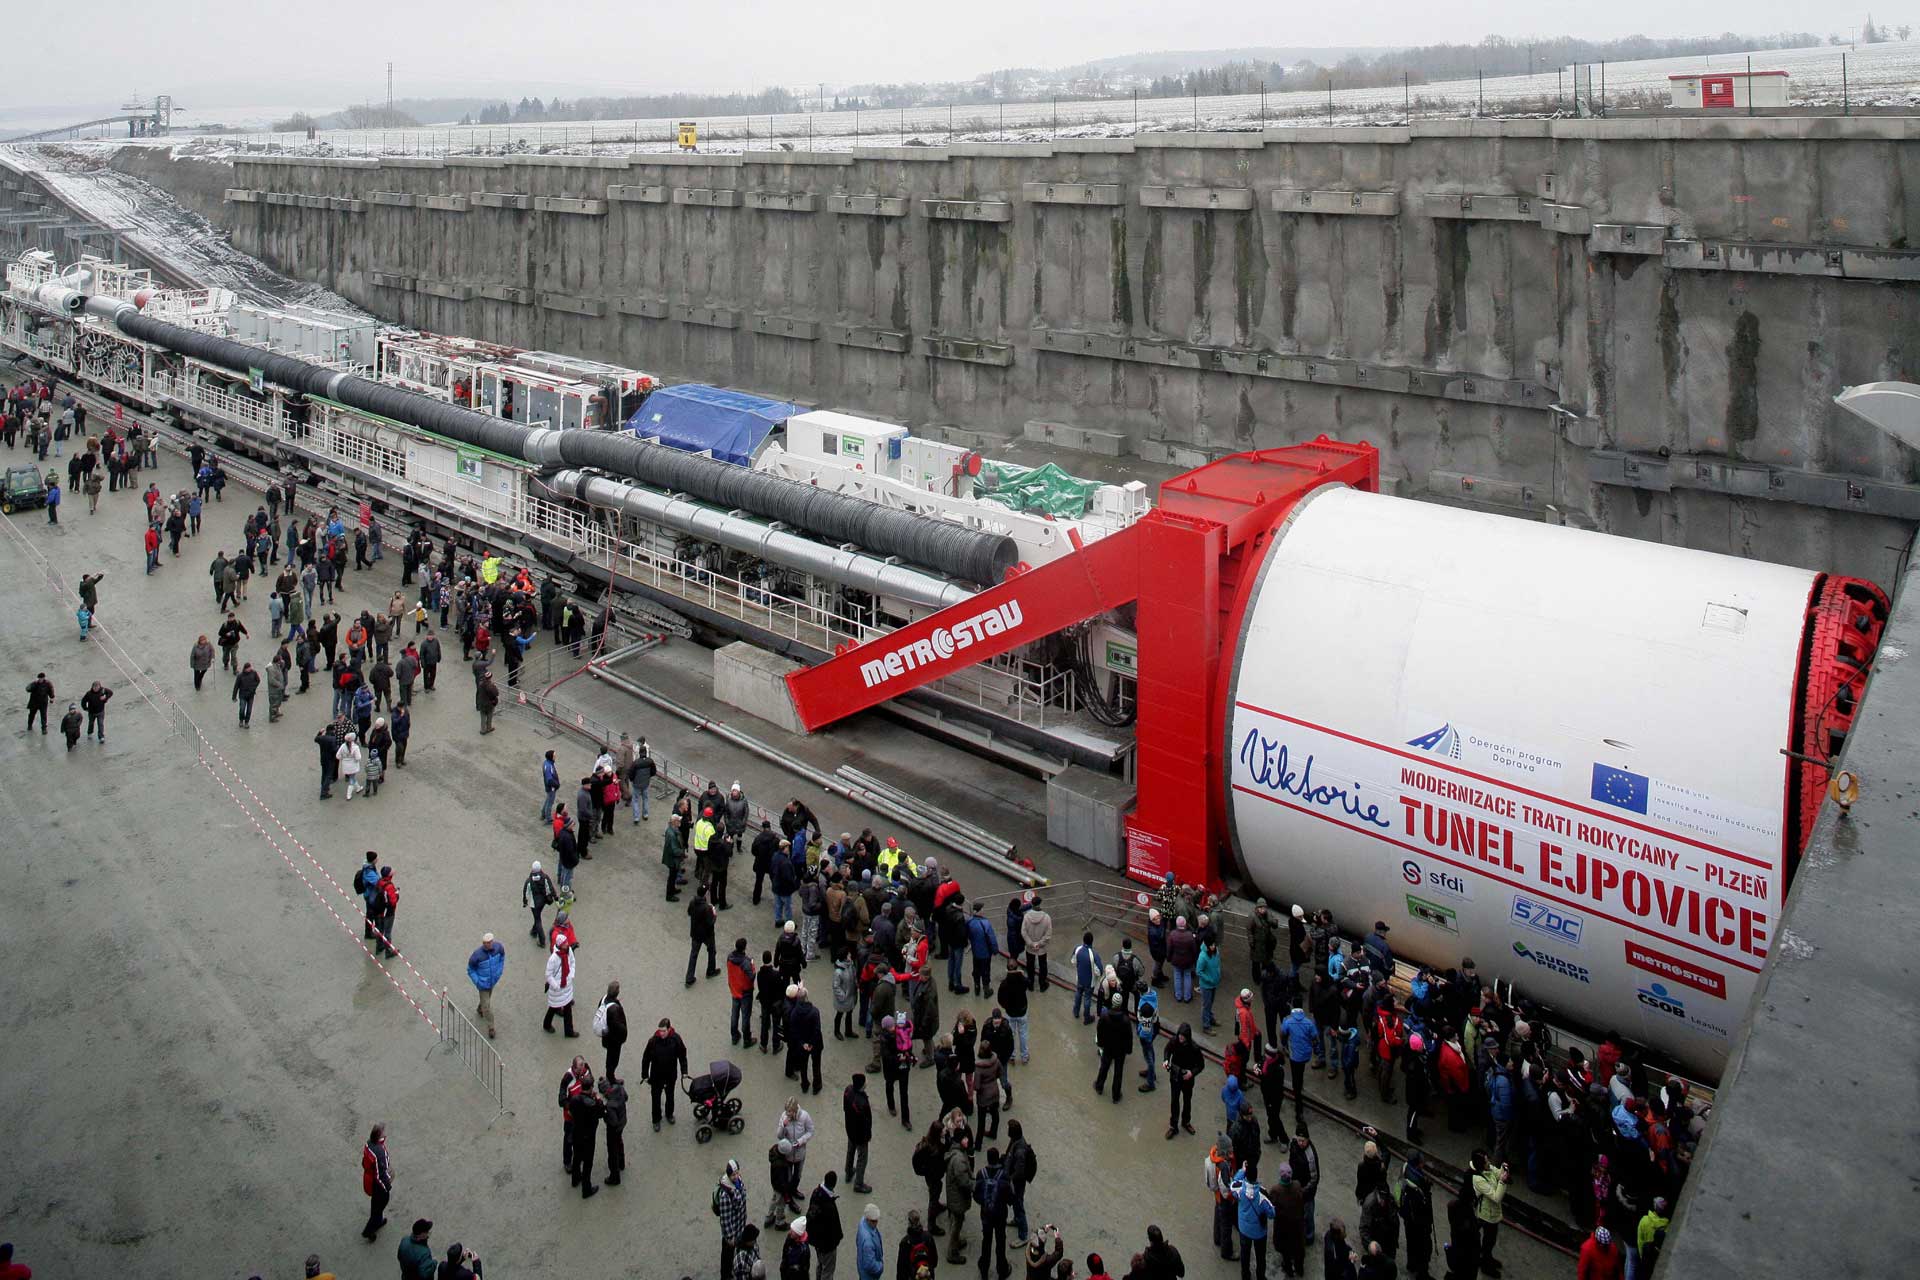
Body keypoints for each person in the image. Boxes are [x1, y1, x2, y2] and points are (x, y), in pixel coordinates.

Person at [640, 1015, 688, 1130]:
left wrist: (684, 1071)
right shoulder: (653, 1041)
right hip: (656, 1077)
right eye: (660, 1030)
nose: (661, 1033)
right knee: (655, 1099)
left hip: (671, 1075)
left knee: (670, 1096)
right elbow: (646, 1059)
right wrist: (645, 1075)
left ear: (669, 1029)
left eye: (664, 1031)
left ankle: (669, 1114)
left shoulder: (676, 1039)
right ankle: (656, 1119)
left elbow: (682, 1055)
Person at [1232, 1164, 1276, 1280]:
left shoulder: (1239, 1189)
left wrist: (1242, 1170)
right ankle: (1260, 1276)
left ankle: (1245, 1275)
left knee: (1245, 1254)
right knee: (1260, 1256)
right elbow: (1272, 1214)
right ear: (1256, 1176)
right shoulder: (1262, 1194)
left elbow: (1233, 1183)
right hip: (1259, 1232)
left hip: (1244, 1229)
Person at [1468, 1152, 1508, 1276]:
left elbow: (1496, 1172)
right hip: (1487, 1215)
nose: (1489, 1163)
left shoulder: (1486, 1168)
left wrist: (1502, 1169)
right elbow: (1496, 1197)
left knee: (1490, 1239)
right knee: (1488, 1240)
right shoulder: (1478, 1179)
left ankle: (1487, 1258)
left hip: (1492, 1213)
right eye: (1486, 1161)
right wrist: (1502, 1182)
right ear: (1481, 1164)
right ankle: (1485, 1264)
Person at [1164, 1023, 1205, 1139]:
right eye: (1180, 1035)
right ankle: (1173, 1126)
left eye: (1183, 1036)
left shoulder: (1194, 1048)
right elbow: (1167, 1050)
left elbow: (1201, 1065)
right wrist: (1166, 1060)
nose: (1180, 1038)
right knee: (1174, 1101)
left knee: (1187, 1101)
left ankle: (1186, 1122)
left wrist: (1191, 1073)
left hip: (1187, 1078)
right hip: (1175, 1076)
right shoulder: (1174, 1041)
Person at [1093, 994, 1133, 1103]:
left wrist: (1100, 1043)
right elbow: (1129, 1037)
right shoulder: (1125, 1020)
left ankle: (1099, 1086)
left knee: (1104, 1067)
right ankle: (1116, 1095)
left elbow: (1099, 1030)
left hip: (1108, 1047)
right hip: (1120, 1050)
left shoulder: (1105, 1016)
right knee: (1118, 1072)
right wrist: (1128, 1049)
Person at [568, 1079, 604, 1198]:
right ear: (591, 1088)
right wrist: (598, 1099)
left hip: (576, 1133)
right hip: (588, 1136)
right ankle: (586, 1189)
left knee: (577, 1157)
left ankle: (575, 1179)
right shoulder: (591, 1104)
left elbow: (571, 1111)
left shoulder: (574, 1099)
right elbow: (601, 1113)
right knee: (588, 1163)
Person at [716, 1161, 751, 1280]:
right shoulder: (725, 1195)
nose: (736, 1176)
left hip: (739, 1225)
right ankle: (725, 1276)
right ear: (728, 1175)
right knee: (727, 1256)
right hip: (732, 1232)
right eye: (733, 1175)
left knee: (734, 1254)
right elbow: (725, 1219)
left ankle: (731, 1271)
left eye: (737, 1173)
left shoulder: (738, 1181)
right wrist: (730, 1237)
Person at [466, 932, 505, 1039]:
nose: (490, 944)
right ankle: (491, 1027)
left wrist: (499, 972)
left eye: (491, 941)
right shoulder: (477, 955)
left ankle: (480, 1008)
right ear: (484, 943)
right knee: (487, 1006)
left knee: (485, 1001)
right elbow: (470, 970)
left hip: (492, 981)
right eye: (487, 943)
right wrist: (478, 982)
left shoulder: (499, 948)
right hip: (483, 984)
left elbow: (502, 958)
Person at [810, 1171, 846, 1279]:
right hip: (827, 1245)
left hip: (817, 1241)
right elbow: (833, 1228)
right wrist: (836, 1240)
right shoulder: (828, 1206)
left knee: (820, 1264)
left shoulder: (816, 1193)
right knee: (828, 1270)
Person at [843, 1072, 875, 1194]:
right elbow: (866, 1122)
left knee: (850, 1150)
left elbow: (845, 1108)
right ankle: (859, 1183)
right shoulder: (862, 1103)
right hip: (861, 1135)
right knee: (862, 1157)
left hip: (850, 1128)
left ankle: (848, 1171)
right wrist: (868, 1136)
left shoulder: (848, 1091)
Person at [361, 1124, 393, 1239]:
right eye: (383, 1132)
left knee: (376, 1206)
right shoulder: (380, 1152)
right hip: (379, 1186)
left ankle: (378, 1221)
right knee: (379, 1207)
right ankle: (368, 1231)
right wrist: (387, 1186)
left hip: (371, 1181)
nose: (385, 1133)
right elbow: (381, 1174)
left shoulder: (369, 1144)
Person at [545, 937, 579, 1036]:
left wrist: (571, 975)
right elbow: (548, 975)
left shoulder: (569, 951)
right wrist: (556, 986)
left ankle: (569, 1031)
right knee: (553, 1007)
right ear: (560, 945)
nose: (567, 944)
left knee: (567, 1009)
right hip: (558, 988)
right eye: (565, 943)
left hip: (567, 986)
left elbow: (572, 962)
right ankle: (547, 1024)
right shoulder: (553, 958)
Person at [597, 980, 630, 1082]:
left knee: (610, 1057)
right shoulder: (614, 1009)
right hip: (614, 1040)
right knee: (613, 1059)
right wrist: (624, 1033)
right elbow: (619, 1027)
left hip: (606, 1035)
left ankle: (610, 1075)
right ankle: (610, 1078)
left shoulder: (603, 999)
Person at [688, 886, 720, 985]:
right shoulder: (707, 907)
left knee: (693, 955)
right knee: (712, 951)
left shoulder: (692, 902)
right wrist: (714, 914)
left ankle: (689, 977)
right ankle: (711, 970)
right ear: (705, 894)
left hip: (695, 933)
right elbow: (711, 922)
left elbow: (689, 912)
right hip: (707, 935)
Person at [1019, 895, 1052, 991]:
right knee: (1043, 965)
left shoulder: (1026, 917)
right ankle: (1042, 984)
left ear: (1031, 904)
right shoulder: (1046, 917)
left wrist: (1031, 943)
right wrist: (1039, 944)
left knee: (1030, 965)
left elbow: (1023, 932)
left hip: (1030, 947)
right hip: (1042, 948)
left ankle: (1030, 984)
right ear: (1040, 904)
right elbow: (1048, 934)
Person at [524, 860, 557, 946]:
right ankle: (534, 931)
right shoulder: (545, 877)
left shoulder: (529, 881)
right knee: (537, 916)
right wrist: (555, 897)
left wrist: (525, 902)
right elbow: (550, 888)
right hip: (542, 901)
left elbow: (526, 893)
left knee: (537, 919)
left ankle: (542, 940)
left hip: (534, 904)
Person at [857, 1203, 885, 1280]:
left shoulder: (862, 1223)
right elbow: (870, 1265)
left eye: (876, 1220)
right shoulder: (868, 1242)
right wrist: (880, 1267)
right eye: (873, 1221)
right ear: (867, 1219)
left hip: (862, 1269)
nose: (876, 1223)